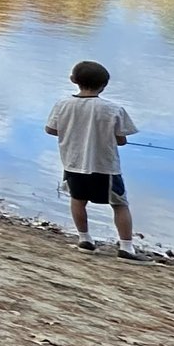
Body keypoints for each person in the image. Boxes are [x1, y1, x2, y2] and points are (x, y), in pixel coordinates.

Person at [46, 59, 139, 259]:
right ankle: (126, 247)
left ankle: (84, 239)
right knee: (120, 204)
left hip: (73, 163)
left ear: (73, 80)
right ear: (104, 85)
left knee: (78, 200)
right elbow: (121, 140)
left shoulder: (62, 105)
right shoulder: (113, 109)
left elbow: (50, 129)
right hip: (106, 167)